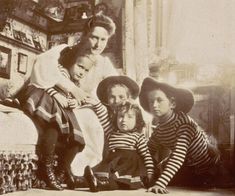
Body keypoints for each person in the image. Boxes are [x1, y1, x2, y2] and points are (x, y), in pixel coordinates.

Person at [19, 13, 118, 186]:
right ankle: (65, 171)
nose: (98, 44)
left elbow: (114, 89)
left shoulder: (104, 64)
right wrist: (71, 89)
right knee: (71, 120)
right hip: (57, 99)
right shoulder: (67, 51)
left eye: (103, 39)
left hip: (83, 106)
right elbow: (43, 67)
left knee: (92, 123)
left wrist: (87, 100)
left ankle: (76, 171)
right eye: (94, 37)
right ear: (85, 35)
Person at [19, 52, 95, 191]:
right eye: (80, 66)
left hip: (62, 108)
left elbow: (73, 96)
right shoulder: (60, 70)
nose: (82, 72)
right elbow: (42, 80)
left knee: (77, 140)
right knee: (54, 125)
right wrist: (57, 96)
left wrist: (74, 102)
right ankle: (47, 169)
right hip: (47, 99)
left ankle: (60, 173)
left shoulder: (75, 82)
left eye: (86, 70)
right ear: (70, 62)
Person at [139, 77, 221, 194]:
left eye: (159, 100)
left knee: (192, 181)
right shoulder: (159, 130)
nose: (154, 105)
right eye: (151, 101)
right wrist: (145, 170)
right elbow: (147, 151)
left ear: (172, 103)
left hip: (204, 168)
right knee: (158, 169)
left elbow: (178, 156)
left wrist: (160, 183)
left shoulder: (184, 124)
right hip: (186, 164)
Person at [70, 75, 141, 186]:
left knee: (113, 174)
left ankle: (99, 182)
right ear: (107, 99)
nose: (116, 101)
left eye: (121, 97)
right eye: (112, 97)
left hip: (125, 157)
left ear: (128, 98)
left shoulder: (131, 114)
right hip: (109, 152)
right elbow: (108, 129)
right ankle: (83, 180)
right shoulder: (106, 111)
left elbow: (111, 129)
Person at [83, 101, 155, 192]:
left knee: (117, 180)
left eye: (129, 117)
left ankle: (101, 185)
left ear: (137, 121)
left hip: (127, 164)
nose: (124, 120)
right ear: (115, 119)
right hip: (111, 160)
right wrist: (96, 104)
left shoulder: (138, 136)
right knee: (98, 173)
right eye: (121, 116)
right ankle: (79, 181)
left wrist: (150, 172)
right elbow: (103, 118)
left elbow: (146, 155)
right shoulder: (111, 133)